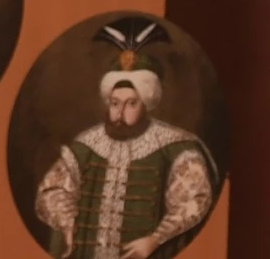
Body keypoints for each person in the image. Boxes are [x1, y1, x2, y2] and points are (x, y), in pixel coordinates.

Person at [35, 19, 217, 259]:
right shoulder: (86, 145)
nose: (120, 113)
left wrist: (155, 239)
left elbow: (194, 200)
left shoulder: (175, 147)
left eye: (131, 104)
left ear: (146, 104)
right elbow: (52, 192)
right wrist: (68, 222)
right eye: (114, 103)